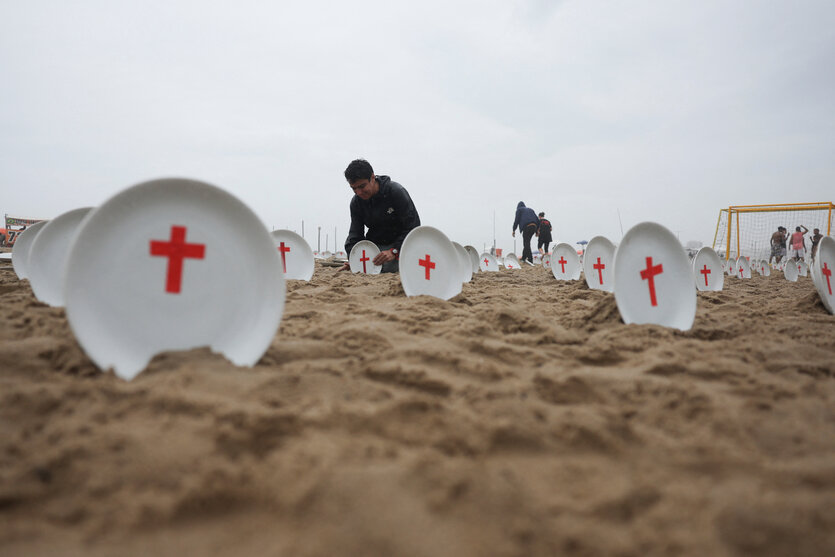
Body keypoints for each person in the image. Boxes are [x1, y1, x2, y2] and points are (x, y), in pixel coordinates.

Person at [339, 159, 420, 273]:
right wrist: (354, 259)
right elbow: (355, 235)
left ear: (372, 177)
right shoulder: (356, 202)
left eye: (362, 186)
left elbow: (413, 226)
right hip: (376, 247)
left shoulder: (396, 192)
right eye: (354, 188)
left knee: (388, 267)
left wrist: (394, 251)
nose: (359, 192)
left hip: (401, 245)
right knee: (373, 267)